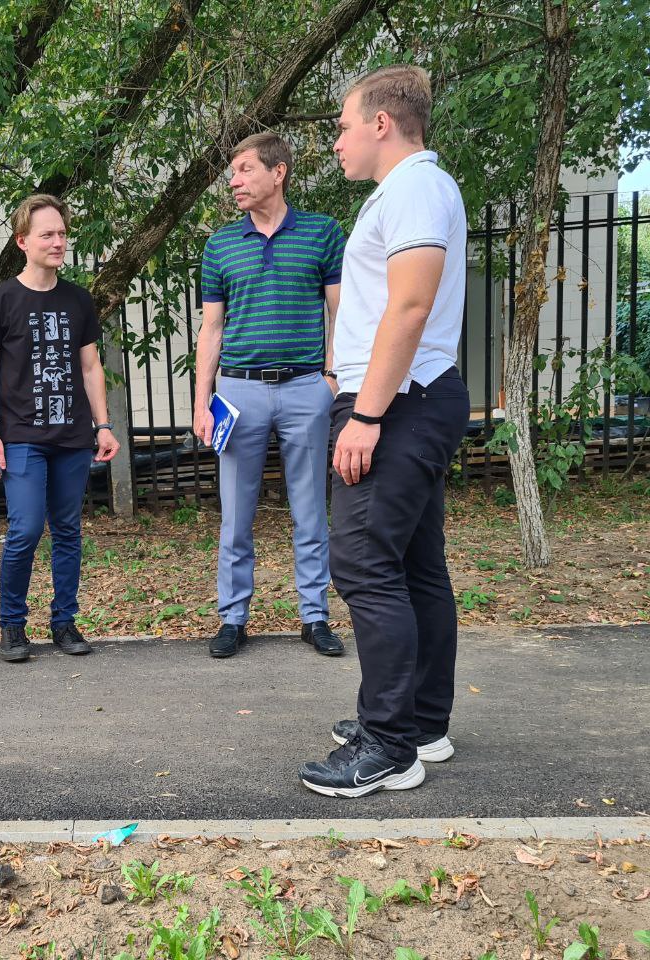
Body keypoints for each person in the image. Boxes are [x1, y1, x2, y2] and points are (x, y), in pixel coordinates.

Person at [298, 65, 470, 798]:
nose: (336, 141)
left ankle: (390, 745)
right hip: (410, 398)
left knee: (365, 566)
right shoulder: (404, 194)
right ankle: (421, 723)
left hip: (398, 404)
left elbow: (410, 307)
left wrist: (365, 413)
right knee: (414, 567)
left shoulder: (415, 188)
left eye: (341, 125)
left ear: (380, 123)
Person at [193, 132, 347, 661]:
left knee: (311, 509)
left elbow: (341, 312)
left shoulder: (323, 233)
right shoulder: (221, 244)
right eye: (232, 172)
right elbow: (211, 329)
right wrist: (201, 402)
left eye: (243, 169)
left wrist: (332, 378)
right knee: (236, 513)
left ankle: (315, 617)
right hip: (238, 392)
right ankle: (233, 618)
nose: (234, 180)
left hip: (307, 388)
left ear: (277, 173)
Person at [0, 194, 120, 663]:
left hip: (73, 436)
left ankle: (64, 621)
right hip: (21, 437)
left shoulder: (78, 299)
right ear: (22, 241)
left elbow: (92, 367)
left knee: (69, 530)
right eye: (47, 235)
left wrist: (104, 425)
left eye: (61, 233)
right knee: (25, 529)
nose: (58, 242)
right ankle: (12, 625)